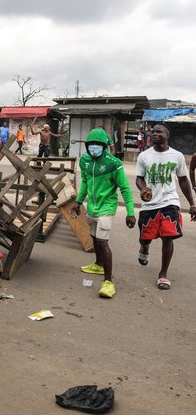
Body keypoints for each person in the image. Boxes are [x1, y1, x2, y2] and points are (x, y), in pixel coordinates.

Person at [72, 129, 136, 299]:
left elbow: (125, 188)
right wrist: (78, 202)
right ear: (86, 146)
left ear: (104, 146)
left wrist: (130, 212)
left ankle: (108, 282)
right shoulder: (85, 161)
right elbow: (85, 183)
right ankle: (98, 264)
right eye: (91, 145)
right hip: (92, 207)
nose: (94, 148)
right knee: (94, 237)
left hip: (107, 207)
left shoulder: (114, 163)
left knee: (102, 241)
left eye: (98, 145)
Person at [135, 124, 196, 290]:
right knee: (145, 237)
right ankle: (144, 246)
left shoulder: (177, 156)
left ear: (167, 135)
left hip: (170, 201)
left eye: (159, 131)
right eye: (152, 131)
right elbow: (139, 178)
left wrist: (192, 204)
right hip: (150, 204)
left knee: (168, 236)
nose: (154, 134)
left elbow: (183, 180)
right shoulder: (144, 156)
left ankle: (163, 274)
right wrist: (143, 188)